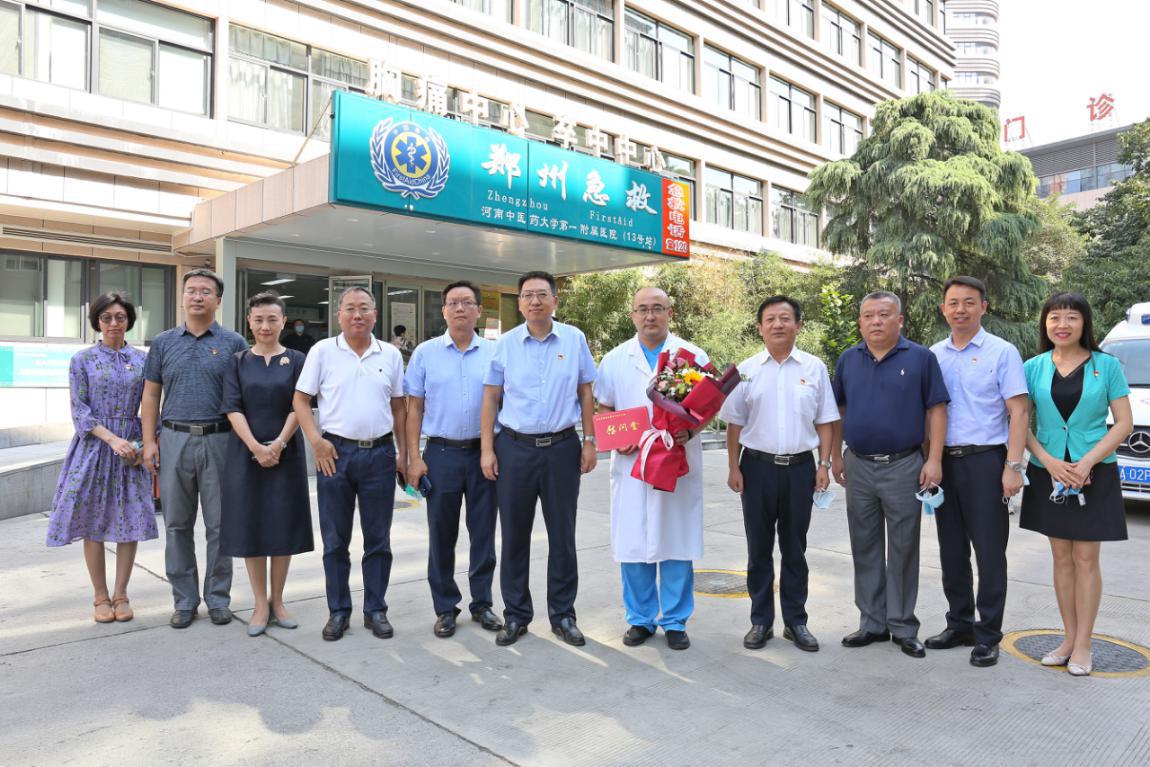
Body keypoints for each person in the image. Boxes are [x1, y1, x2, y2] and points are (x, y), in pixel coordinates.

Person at [481, 271, 598, 648]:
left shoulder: (575, 339)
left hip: (562, 449)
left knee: (563, 535)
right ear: (519, 303)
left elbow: (585, 392)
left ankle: (563, 614)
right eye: (528, 295)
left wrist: (589, 440)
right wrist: (487, 449)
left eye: (542, 294)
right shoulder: (505, 344)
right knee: (514, 535)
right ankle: (516, 614)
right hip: (515, 449)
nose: (535, 301)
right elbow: (491, 397)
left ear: (555, 301)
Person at [831, 291, 949, 659]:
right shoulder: (848, 359)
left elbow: (936, 410)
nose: (876, 321)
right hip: (858, 464)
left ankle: (902, 625)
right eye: (868, 315)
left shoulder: (921, 358)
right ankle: (872, 622)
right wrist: (834, 456)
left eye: (884, 314)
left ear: (899, 320)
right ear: (860, 322)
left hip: (904, 464)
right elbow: (838, 410)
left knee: (903, 547)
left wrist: (934, 459)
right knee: (864, 544)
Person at [1021, 292, 1132, 677]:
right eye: (1055, 317)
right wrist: (1048, 460)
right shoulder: (1033, 367)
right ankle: (1068, 639)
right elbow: (1019, 422)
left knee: (1086, 559)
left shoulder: (1107, 366)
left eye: (1071, 317)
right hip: (1049, 471)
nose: (1062, 324)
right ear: (1045, 323)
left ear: (1085, 322)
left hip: (1093, 472)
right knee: (1061, 558)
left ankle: (1084, 644)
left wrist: (1086, 462)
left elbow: (1123, 423)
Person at [721, 296, 838, 653]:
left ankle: (796, 621)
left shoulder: (814, 368)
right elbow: (734, 424)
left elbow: (826, 421)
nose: (777, 324)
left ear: (798, 325)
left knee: (794, 548)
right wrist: (733, 467)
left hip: (801, 470)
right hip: (756, 469)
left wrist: (824, 464)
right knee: (758, 548)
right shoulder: (746, 370)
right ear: (760, 328)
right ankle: (761, 621)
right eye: (770, 319)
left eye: (785, 318)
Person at [595, 287, 707, 651]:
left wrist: (691, 431)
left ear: (670, 314)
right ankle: (640, 619)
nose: (650, 316)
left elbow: (708, 406)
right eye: (642, 309)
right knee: (633, 543)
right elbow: (604, 407)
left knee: (676, 541)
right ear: (632, 315)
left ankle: (675, 621)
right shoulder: (615, 359)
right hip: (632, 464)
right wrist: (616, 438)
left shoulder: (691, 356)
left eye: (657, 308)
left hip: (675, 460)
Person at [926, 277, 1029, 668]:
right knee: (951, 550)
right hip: (944, 462)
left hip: (986, 461)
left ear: (984, 307)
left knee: (989, 552)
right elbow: (929, 412)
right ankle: (959, 624)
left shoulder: (1002, 352)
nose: (960, 309)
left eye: (969, 302)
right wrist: (930, 459)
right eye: (953, 302)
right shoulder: (933, 355)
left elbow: (1019, 411)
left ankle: (988, 635)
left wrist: (1013, 466)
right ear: (943, 309)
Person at [294, 286, 407, 641]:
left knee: (378, 539)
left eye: (364, 308)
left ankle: (375, 610)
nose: (357, 315)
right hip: (335, 455)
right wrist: (316, 441)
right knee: (335, 540)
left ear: (375, 314)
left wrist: (404, 454)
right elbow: (300, 400)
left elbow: (399, 408)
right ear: (339, 315)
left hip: (380, 455)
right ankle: (338, 611)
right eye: (350, 308)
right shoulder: (322, 351)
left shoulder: (390, 354)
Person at [142, 269, 248, 629]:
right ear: (183, 297)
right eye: (191, 291)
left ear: (218, 300)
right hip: (174, 439)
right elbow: (151, 394)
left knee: (220, 526)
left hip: (221, 440)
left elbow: (243, 395)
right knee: (176, 524)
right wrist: (150, 442)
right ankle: (184, 600)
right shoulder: (163, 342)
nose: (197, 296)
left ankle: (218, 598)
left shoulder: (234, 342)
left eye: (205, 291)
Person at [46, 293, 158, 623]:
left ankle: (121, 594)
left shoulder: (143, 361)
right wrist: (111, 439)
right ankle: (100, 596)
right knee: (92, 521)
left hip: (131, 449)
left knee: (129, 520)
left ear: (129, 321)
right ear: (97, 321)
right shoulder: (82, 360)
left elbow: (151, 405)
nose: (113, 323)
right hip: (94, 446)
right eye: (106, 318)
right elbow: (79, 410)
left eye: (120, 317)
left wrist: (145, 444)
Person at [404, 281, 502, 638]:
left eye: (467, 302)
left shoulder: (495, 352)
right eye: (453, 303)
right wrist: (413, 458)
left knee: (483, 533)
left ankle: (482, 604)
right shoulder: (425, 353)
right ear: (444, 310)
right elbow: (414, 408)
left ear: (478, 310)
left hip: (484, 454)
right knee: (441, 534)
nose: (460, 308)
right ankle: (445, 607)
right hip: (441, 455)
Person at [220, 293, 314, 637]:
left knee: (282, 526)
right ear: (249, 321)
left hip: (285, 454)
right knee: (252, 526)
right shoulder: (237, 361)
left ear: (283, 321)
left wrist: (278, 444)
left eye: (272, 319)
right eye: (258, 319)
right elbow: (232, 407)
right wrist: (256, 447)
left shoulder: (298, 360)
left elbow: (300, 405)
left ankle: (278, 600)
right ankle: (260, 603)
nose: (265, 326)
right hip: (245, 454)